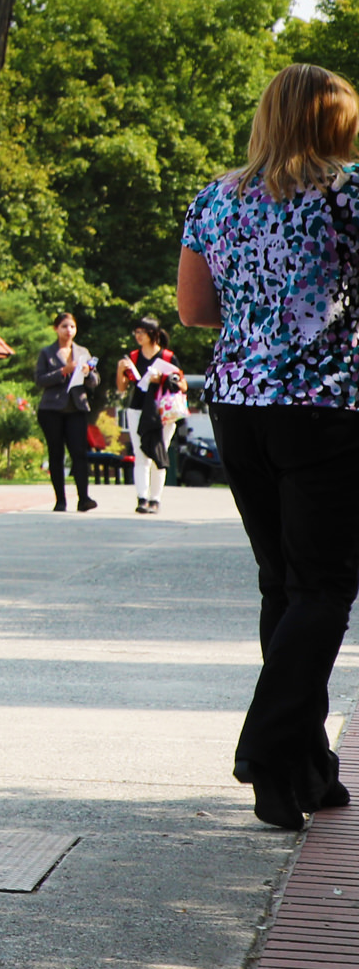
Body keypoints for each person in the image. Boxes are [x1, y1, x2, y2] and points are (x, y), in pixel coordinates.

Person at [179, 62, 359, 832]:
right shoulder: (349, 193)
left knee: (282, 584)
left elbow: (192, 309)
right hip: (325, 406)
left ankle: (301, 772)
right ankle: (265, 745)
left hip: (238, 405)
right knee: (323, 587)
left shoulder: (216, 197)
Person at [31, 310, 102, 513]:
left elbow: (95, 381)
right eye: (64, 326)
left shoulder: (83, 352)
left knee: (79, 453)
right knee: (56, 454)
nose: (68, 330)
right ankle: (60, 500)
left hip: (76, 408)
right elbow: (40, 380)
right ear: (56, 329)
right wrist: (63, 371)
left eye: (72, 326)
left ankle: (84, 498)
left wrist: (88, 374)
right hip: (52, 409)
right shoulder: (47, 352)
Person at [119, 319, 186, 515]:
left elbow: (183, 385)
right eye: (136, 332)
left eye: (143, 332)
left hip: (162, 411)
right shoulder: (133, 357)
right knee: (141, 455)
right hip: (137, 409)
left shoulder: (167, 357)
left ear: (154, 334)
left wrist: (162, 379)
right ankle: (142, 498)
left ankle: (155, 499)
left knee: (159, 453)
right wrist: (120, 369)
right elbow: (122, 387)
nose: (138, 336)